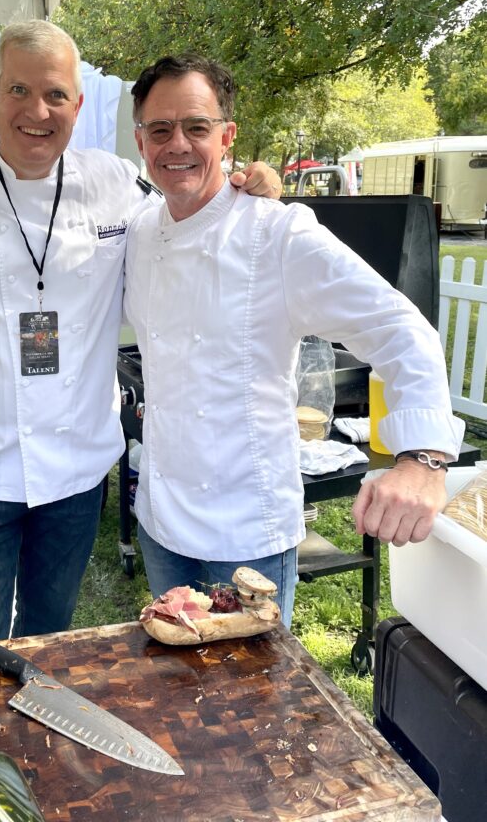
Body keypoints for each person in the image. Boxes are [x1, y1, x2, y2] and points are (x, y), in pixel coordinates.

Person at [0, 21, 282, 647]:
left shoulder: (116, 182)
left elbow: (186, 220)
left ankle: (31, 743)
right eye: (18, 90)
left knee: (51, 640)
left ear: (78, 104)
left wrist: (246, 187)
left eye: (56, 94)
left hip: (76, 473)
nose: (37, 111)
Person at [123, 54, 464, 627]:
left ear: (227, 136)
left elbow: (400, 327)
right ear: (140, 140)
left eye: (196, 127)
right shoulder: (139, 230)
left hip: (246, 529)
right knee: (179, 688)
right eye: (160, 129)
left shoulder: (276, 232)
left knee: (250, 708)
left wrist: (423, 461)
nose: (176, 143)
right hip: (160, 518)